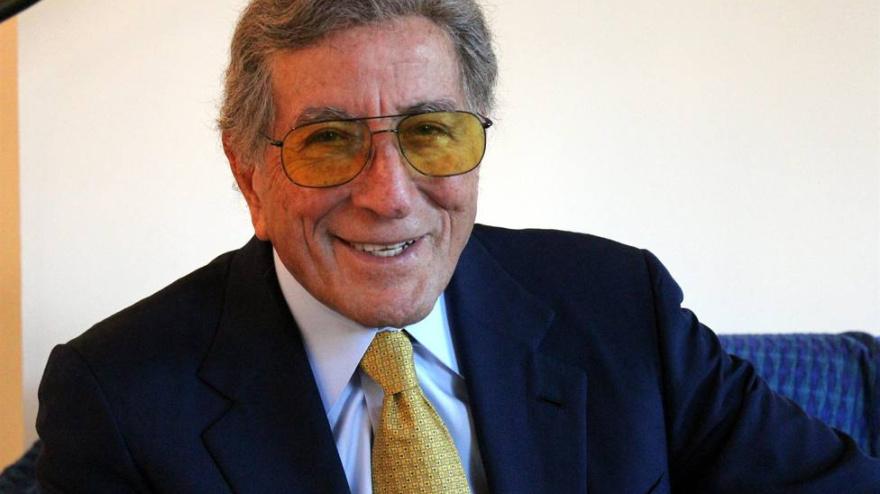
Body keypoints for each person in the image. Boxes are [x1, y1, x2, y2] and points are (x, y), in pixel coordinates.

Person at [34, 0, 880, 492]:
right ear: (248, 173)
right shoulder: (118, 396)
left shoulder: (622, 307)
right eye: (328, 141)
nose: (390, 195)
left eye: (430, 132)